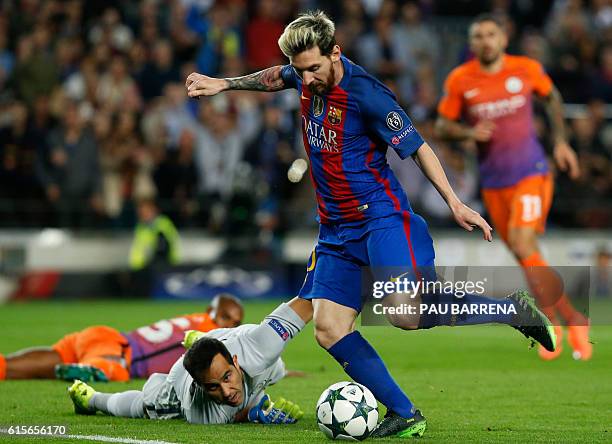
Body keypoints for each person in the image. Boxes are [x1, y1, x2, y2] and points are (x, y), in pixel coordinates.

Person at [185, 11, 555, 438]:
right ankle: (405, 413)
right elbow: (275, 76)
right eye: (300, 71)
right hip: (336, 232)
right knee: (328, 329)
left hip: (383, 221)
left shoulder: (367, 95)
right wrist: (224, 83)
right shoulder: (305, 72)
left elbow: (419, 148)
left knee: (405, 315)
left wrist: (454, 202)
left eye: (313, 70)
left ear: (335, 53)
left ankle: (510, 309)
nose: (305, 80)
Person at [435, 14, 591, 361]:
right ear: (472, 44)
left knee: (523, 242)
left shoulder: (525, 69)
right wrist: (468, 133)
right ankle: (572, 318)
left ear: (503, 39)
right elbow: (443, 125)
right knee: (524, 255)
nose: (485, 41)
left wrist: (562, 143)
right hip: (494, 182)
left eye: (491, 34)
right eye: (478, 36)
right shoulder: (461, 79)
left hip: (531, 172)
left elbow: (552, 98)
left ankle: (553, 320)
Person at [67, 297, 310, 425]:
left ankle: (199, 339)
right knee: (147, 405)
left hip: (219, 340)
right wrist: (254, 413)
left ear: (236, 362)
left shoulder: (264, 350)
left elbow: (308, 300)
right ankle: (92, 400)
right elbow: (234, 413)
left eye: (226, 377)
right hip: (178, 382)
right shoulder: (202, 411)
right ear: (203, 387)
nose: (226, 392)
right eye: (213, 387)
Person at [0, 294, 243, 382]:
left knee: (42, 361)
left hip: (103, 337)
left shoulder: (195, 318)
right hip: (117, 349)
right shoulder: (209, 333)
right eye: (227, 318)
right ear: (213, 313)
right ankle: (89, 369)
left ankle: (4, 365)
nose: (231, 326)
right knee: (115, 372)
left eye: (236, 323)